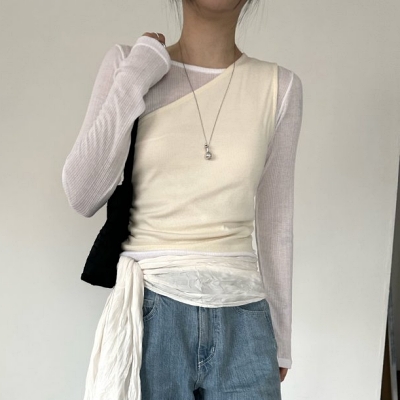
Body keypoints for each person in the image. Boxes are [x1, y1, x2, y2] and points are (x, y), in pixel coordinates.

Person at [62, 0, 303, 398]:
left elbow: (276, 223)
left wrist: (281, 337)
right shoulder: (131, 63)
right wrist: (137, 74)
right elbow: (82, 193)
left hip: (245, 319)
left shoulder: (279, 86)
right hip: (152, 312)